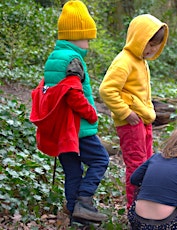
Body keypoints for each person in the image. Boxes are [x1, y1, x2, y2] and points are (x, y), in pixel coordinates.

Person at [30, 0, 109, 225]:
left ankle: (77, 216)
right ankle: (84, 200)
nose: (88, 44)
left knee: (73, 171)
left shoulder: (54, 57)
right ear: (76, 36)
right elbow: (73, 94)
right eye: (87, 39)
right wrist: (91, 114)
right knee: (100, 160)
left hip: (63, 131)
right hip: (78, 128)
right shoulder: (73, 60)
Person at [99, 14, 168, 210]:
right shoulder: (124, 60)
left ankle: (146, 203)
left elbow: (139, 93)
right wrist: (125, 112)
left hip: (143, 120)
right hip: (130, 122)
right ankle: (135, 208)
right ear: (138, 38)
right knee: (137, 166)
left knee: (148, 162)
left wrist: (148, 111)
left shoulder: (141, 62)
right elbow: (107, 89)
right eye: (149, 43)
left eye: (156, 45)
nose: (151, 49)